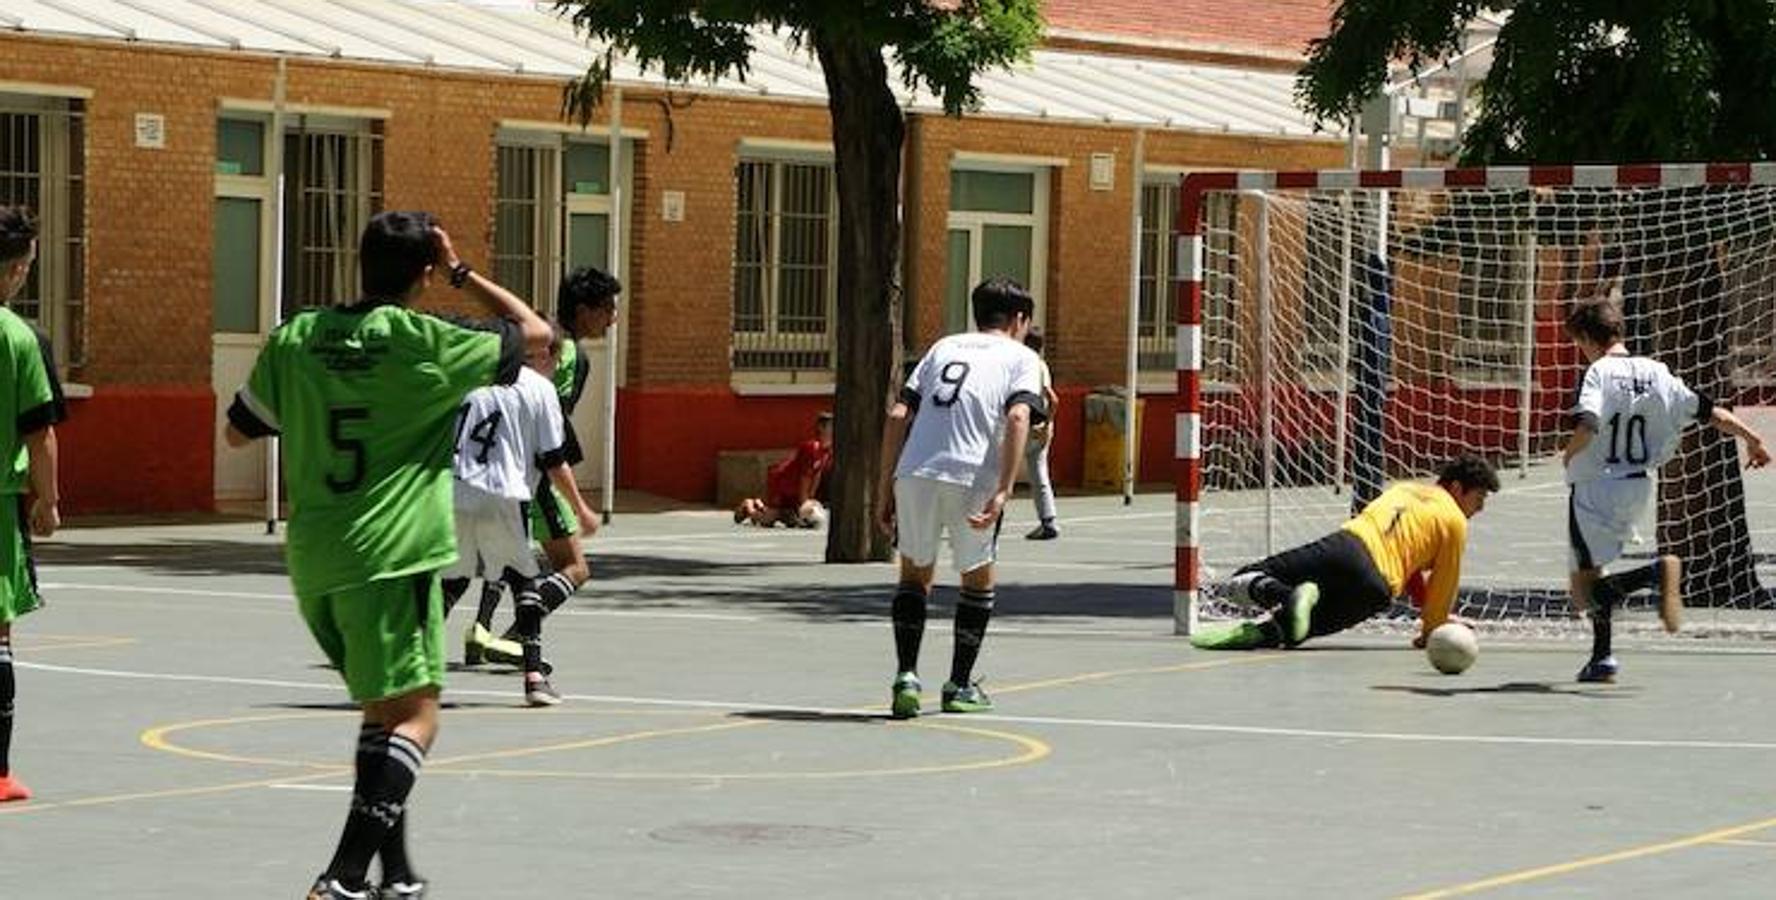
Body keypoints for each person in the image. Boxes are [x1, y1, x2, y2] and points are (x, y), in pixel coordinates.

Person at [225, 211, 551, 900]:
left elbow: (238, 431)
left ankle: (394, 874)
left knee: (382, 710)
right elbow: (538, 336)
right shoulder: (424, 341)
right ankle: (341, 876)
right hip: (393, 552)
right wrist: (464, 276)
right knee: (418, 715)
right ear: (426, 272)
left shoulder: (299, 335)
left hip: (316, 557)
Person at [1560, 299, 1770, 682]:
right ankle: (1602, 657)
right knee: (1592, 580)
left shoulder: (1598, 373)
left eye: (1580, 343)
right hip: (1637, 486)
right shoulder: (1657, 372)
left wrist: (1569, 453)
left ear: (1589, 339)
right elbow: (1709, 411)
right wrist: (1753, 437)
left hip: (1594, 485)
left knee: (1583, 589)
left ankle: (1655, 573)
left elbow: (1588, 422)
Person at [876, 277, 1047, 718]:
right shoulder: (1022, 356)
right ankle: (958, 685)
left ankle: (906, 676)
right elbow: (1018, 415)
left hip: (914, 471)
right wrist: (1007, 487)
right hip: (971, 474)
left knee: (914, 576)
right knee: (977, 578)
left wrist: (884, 489)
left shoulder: (944, 346)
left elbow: (899, 415)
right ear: (1020, 320)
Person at [463, 268, 618, 667]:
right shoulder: (569, 354)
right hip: (533, 471)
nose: (612, 318)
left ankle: (480, 629)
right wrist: (572, 488)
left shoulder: (540, 336)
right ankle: (517, 635)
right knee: (574, 567)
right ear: (584, 311)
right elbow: (552, 422)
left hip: (492, 466)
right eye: (607, 309)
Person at [1190, 454, 1499, 651]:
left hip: (1347, 549)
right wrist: (1434, 629)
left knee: (1244, 578)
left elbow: (1412, 567)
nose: (1481, 508)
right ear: (1457, 488)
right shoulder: (1455, 522)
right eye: (1480, 497)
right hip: (1376, 591)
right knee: (1295, 632)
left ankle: (1286, 595)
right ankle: (1271, 625)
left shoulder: (1403, 489)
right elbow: (1443, 584)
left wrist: (1429, 614)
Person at [441, 332, 595, 707]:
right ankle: (534, 678)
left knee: (453, 582)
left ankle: (400, 665)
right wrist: (580, 506)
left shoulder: (468, 381)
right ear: (541, 353)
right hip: (504, 494)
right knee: (525, 583)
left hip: (455, 490)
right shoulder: (538, 388)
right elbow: (553, 458)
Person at [0, 207, 66, 805]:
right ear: (16, 269)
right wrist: (48, 500)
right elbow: (39, 432)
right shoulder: (20, 338)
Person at [734, 412, 833, 528]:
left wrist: (811, 500)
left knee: (792, 520)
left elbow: (817, 474)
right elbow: (804, 477)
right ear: (821, 427)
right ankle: (749, 506)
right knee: (767, 521)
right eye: (831, 426)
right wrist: (803, 503)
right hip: (782, 484)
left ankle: (762, 505)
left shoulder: (827, 450)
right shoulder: (811, 448)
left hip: (795, 490)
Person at [1021, 328, 1060, 540]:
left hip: (1028, 424)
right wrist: (1048, 425)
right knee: (1039, 473)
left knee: (995, 467)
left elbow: (1053, 398)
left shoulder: (1027, 363)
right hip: (1041, 425)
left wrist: (1045, 425)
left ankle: (986, 514)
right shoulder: (1042, 364)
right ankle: (1048, 520)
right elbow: (1052, 399)